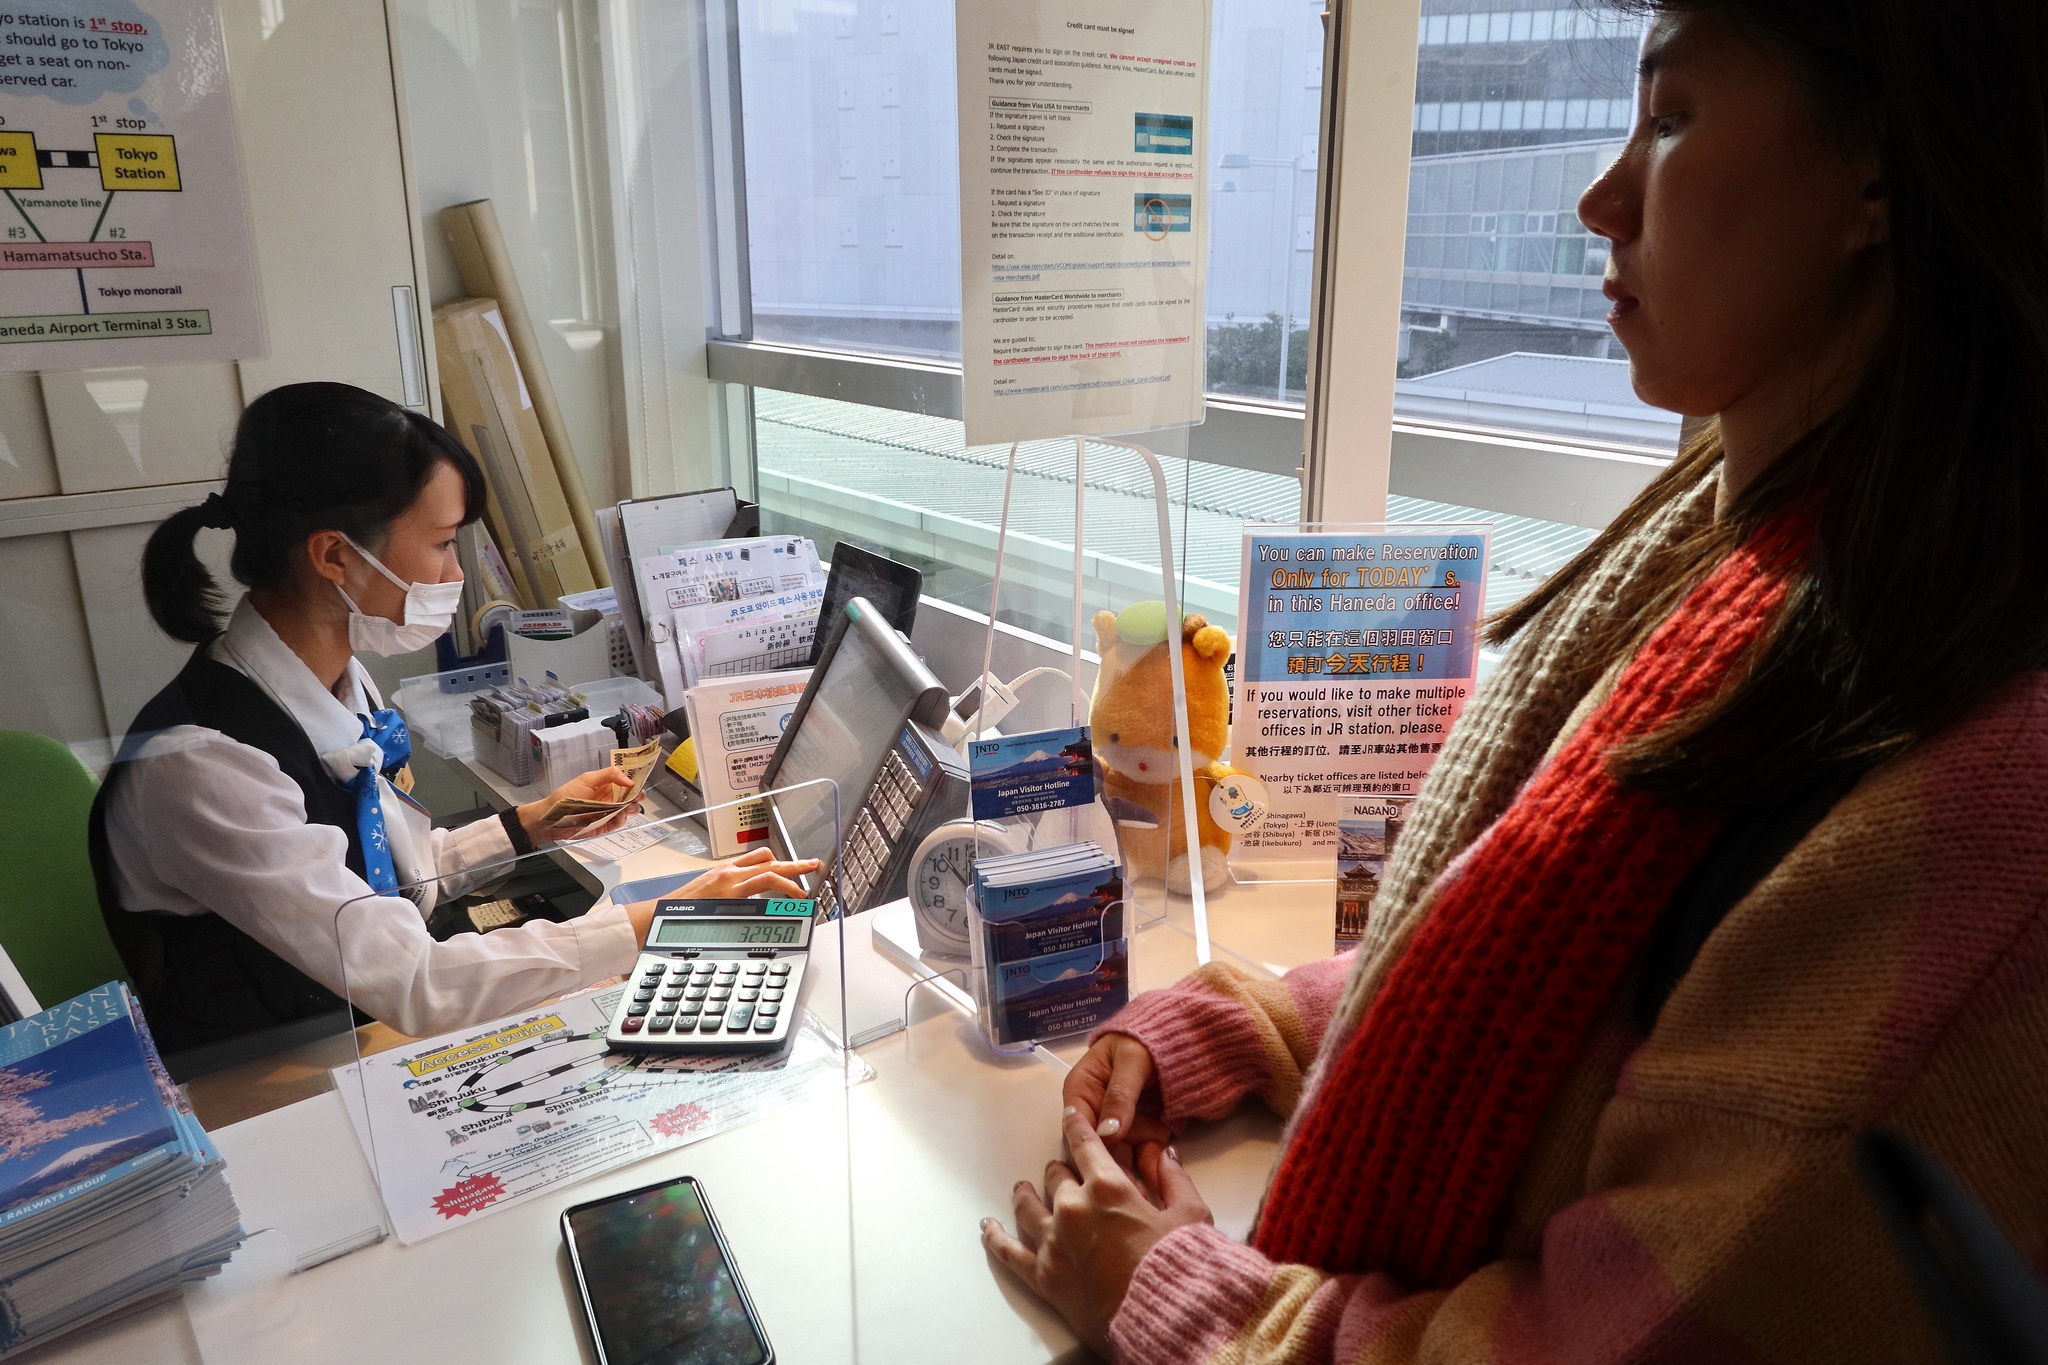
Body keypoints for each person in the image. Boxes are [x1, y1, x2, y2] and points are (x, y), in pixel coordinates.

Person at [983, 1, 2048, 1361]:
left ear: (1881, 170)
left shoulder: (1970, 792)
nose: (1601, 199)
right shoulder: (1750, 566)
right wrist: (1237, 1028)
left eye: (1671, 119)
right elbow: (1549, 1001)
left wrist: (1176, 1296)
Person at [91, 382, 817, 1052]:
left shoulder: (332, 680)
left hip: (347, 1024)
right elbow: (418, 982)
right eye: (441, 544)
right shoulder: (206, 765)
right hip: (264, 1078)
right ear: (335, 556)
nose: (456, 575)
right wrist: (658, 920)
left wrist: (527, 825)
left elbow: (383, 879)